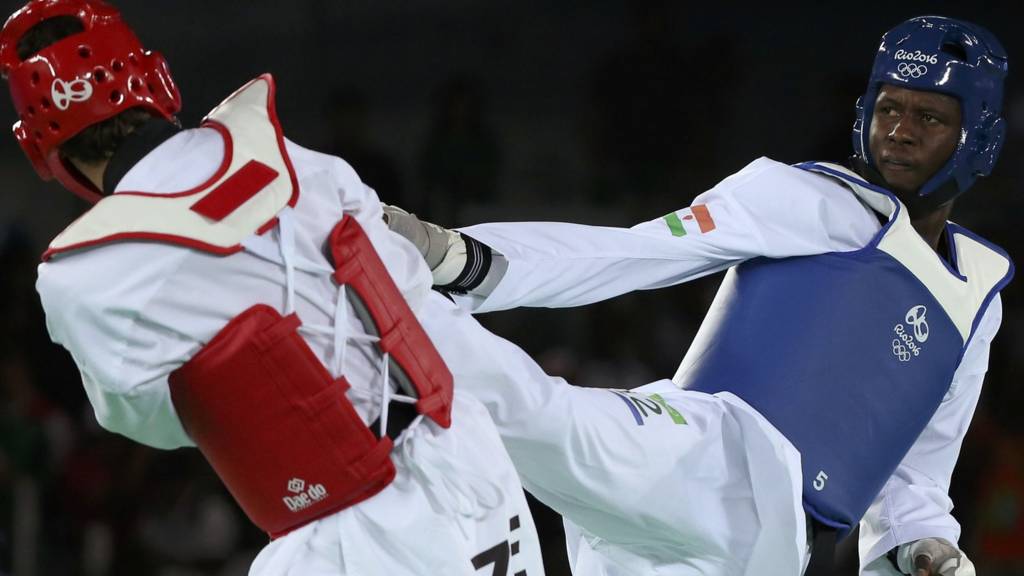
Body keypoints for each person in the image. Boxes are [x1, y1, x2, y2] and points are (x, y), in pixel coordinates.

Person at [386, 16, 1011, 576]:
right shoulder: (809, 200)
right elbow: (636, 251)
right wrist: (457, 255)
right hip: (709, 456)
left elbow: (919, 470)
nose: (899, 132)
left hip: (772, 552)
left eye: (929, 117)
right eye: (888, 109)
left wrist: (919, 544)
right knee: (543, 416)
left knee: (539, 421)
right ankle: (364, 284)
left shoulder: (978, 296)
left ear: (977, 137)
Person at [0, 1, 547, 574]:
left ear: (48, 150)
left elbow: (152, 420)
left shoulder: (82, 272)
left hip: (346, 530)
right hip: (469, 457)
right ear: (155, 81)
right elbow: (406, 284)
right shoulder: (288, 154)